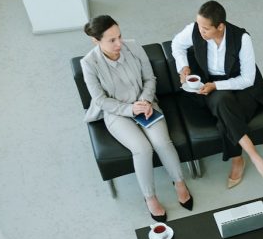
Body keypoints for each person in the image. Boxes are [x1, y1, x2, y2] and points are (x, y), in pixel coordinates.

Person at [81, 15, 193, 222]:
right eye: (111, 40)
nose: (119, 43)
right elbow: (100, 100)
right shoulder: (89, 63)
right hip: (117, 113)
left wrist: (145, 101)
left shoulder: (133, 47)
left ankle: (179, 182)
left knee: (162, 142)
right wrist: (131, 109)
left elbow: (149, 78)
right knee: (142, 148)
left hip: (147, 104)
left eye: (119, 36)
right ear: (96, 41)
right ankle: (150, 197)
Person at [171, 0, 263, 189]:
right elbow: (177, 45)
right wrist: (183, 66)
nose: (200, 31)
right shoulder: (195, 30)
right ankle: (254, 156)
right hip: (212, 88)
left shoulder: (242, 39)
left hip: (242, 88)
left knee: (224, 114)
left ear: (220, 26)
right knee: (221, 101)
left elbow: (247, 79)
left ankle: (239, 160)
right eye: (199, 26)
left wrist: (216, 85)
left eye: (206, 29)